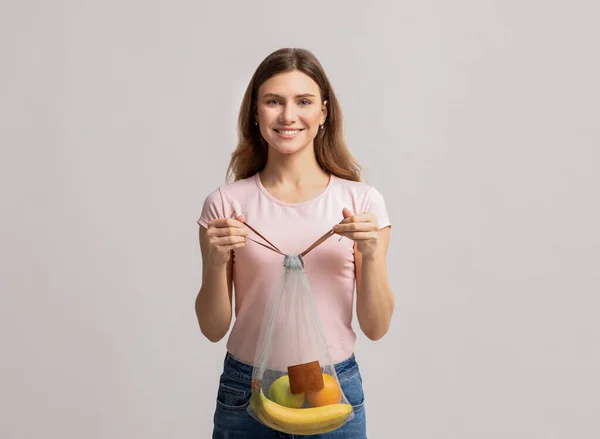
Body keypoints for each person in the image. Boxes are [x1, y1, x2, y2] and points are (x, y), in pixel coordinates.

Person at [195, 47, 394, 438]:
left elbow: (376, 326)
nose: (288, 116)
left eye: (303, 101)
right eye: (274, 101)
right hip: (246, 388)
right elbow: (213, 327)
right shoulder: (226, 204)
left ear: (323, 112)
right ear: (255, 113)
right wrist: (217, 261)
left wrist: (370, 255)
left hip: (331, 387)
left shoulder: (360, 203)